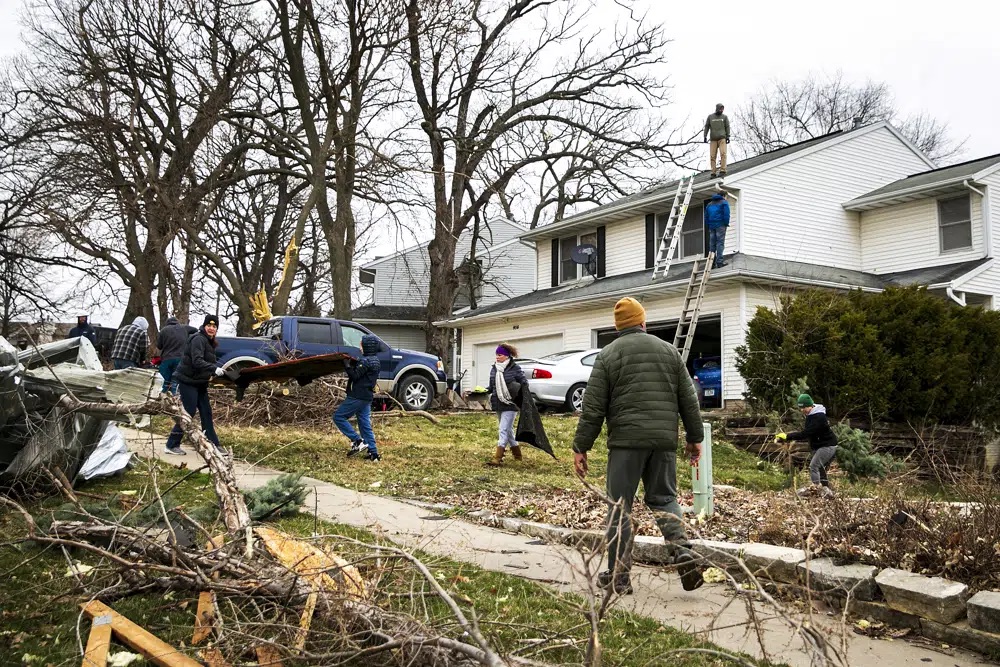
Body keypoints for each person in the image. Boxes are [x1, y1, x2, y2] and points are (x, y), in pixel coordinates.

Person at [573, 297, 705, 595]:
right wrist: (695, 438)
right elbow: (689, 400)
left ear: (618, 327)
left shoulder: (608, 356)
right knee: (663, 498)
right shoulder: (670, 352)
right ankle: (681, 549)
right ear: (643, 322)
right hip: (663, 442)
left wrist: (581, 446)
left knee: (619, 507)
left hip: (626, 444)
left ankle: (619, 576)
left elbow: (592, 408)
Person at [164, 314, 230, 456]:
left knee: (206, 412)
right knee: (189, 412)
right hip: (188, 381)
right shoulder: (198, 339)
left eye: (214, 326)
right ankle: (171, 444)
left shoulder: (209, 342)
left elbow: (207, 362)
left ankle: (213, 444)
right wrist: (214, 369)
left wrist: (217, 371)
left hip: (199, 382)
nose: (211, 328)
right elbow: (197, 361)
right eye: (209, 326)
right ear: (204, 326)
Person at [775, 394, 839, 498]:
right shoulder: (811, 415)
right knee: (821, 469)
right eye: (801, 408)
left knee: (814, 466)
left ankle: (816, 490)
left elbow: (806, 433)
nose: (802, 410)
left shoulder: (819, 417)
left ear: (810, 405)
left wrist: (787, 436)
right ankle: (827, 493)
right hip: (820, 446)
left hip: (828, 446)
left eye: (804, 407)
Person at [335, 334, 382, 462]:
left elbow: (355, 376)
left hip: (357, 396)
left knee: (339, 417)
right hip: (366, 396)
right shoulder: (375, 360)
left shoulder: (366, 361)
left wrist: (347, 365)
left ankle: (357, 440)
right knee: (364, 424)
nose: (360, 346)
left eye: (361, 344)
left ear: (367, 346)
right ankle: (374, 453)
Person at [487, 342, 528, 467]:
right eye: (496, 355)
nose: (497, 357)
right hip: (498, 402)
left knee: (503, 429)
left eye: (499, 355)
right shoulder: (494, 368)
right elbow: (491, 386)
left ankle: (498, 457)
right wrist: (478, 392)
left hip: (511, 403)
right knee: (508, 430)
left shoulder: (515, 368)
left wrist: (519, 393)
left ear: (506, 356)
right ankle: (517, 455)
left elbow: (524, 383)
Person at [156, 316, 196, 394]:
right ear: (177, 322)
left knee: (164, 381)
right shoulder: (184, 328)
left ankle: (161, 398)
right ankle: (174, 399)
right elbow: (196, 330)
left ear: (167, 323)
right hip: (180, 359)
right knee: (175, 382)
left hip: (166, 359)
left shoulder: (163, 330)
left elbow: (159, 346)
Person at [702, 103, 731, 178]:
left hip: (722, 138)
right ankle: (713, 172)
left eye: (722, 109)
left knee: (723, 154)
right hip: (713, 139)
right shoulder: (710, 117)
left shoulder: (724, 117)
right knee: (712, 156)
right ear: (717, 108)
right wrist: (705, 136)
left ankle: (723, 170)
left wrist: (728, 136)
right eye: (720, 109)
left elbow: (727, 127)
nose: (721, 110)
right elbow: (707, 126)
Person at [704, 193, 731, 269]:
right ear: (724, 196)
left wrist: (708, 225)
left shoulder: (709, 204)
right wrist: (726, 223)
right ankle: (719, 262)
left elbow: (706, 217)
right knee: (720, 243)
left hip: (712, 226)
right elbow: (726, 214)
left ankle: (711, 264)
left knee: (712, 244)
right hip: (720, 225)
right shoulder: (724, 202)